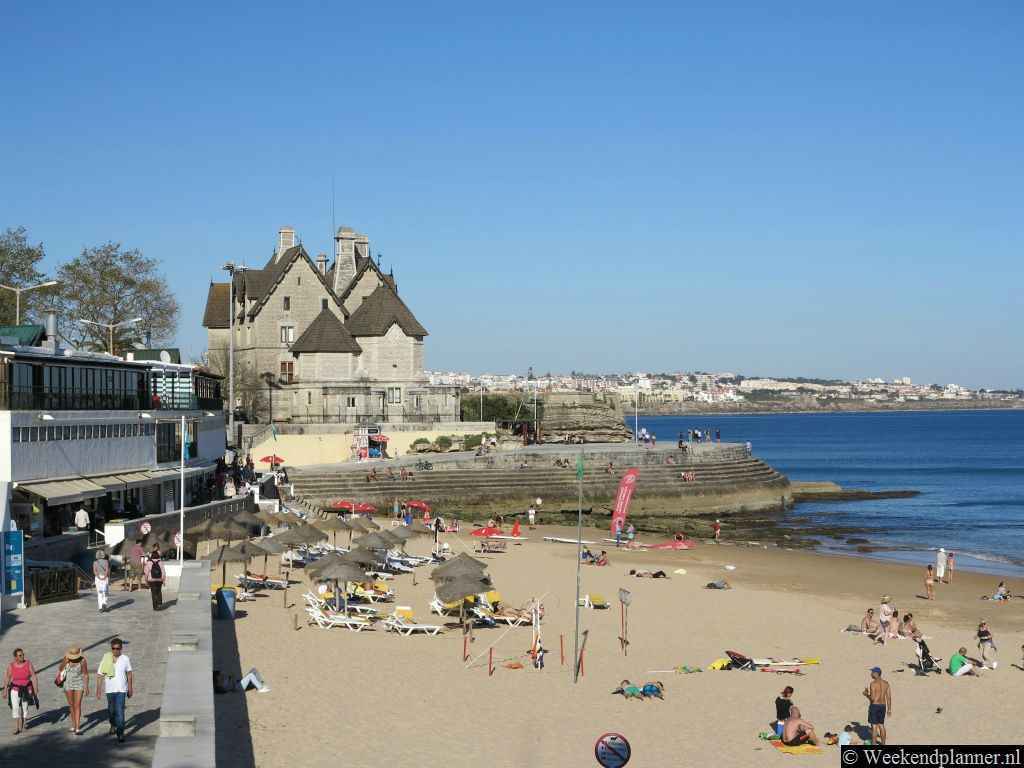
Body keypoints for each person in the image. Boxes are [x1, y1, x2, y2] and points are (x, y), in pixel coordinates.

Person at [96, 638, 133, 742]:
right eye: (113, 648)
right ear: (111, 648)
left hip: (121, 689)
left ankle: (120, 732)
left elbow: (129, 674)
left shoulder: (125, 659)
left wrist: (130, 688)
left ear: (121, 648)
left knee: (120, 711)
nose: (116, 650)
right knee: (111, 711)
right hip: (110, 689)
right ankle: (113, 723)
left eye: (118, 648)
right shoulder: (106, 658)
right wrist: (98, 690)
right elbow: (100, 675)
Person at [4, 648, 39, 735]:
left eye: (23, 655)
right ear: (15, 657)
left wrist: (36, 687)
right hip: (15, 688)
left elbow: (34, 676)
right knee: (15, 707)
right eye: (20, 655)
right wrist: (5, 690)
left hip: (27, 688)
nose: (22, 656)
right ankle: (16, 727)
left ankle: (23, 725)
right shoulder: (11, 666)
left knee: (24, 707)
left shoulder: (28, 664)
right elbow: (7, 678)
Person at [60, 644, 89, 734]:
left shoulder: (82, 661)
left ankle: (77, 726)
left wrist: (86, 686)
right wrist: (64, 662)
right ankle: (73, 724)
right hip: (68, 683)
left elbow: (85, 674)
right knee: (71, 704)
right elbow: (60, 669)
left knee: (78, 704)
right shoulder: (66, 659)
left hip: (79, 683)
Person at [863, 667, 891, 745]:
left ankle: (874, 744)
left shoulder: (873, 684)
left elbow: (872, 698)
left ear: (875, 673)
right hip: (883, 706)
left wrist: (866, 695)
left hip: (874, 706)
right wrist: (889, 709)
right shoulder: (886, 683)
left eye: (872, 672)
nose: (871, 674)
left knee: (874, 726)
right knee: (881, 725)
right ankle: (883, 744)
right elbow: (888, 697)